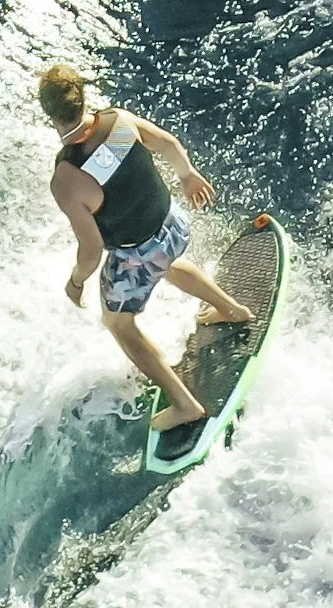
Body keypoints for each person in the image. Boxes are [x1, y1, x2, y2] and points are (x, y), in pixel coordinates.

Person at [40, 61, 254, 450]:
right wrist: (187, 174)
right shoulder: (118, 122)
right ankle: (233, 310)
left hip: (137, 254)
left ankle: (185, 404)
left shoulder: (67, 178)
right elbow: (168, 145)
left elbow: (90, 249)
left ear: (50, 114)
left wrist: (76, 282)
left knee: (120, 324)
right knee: (165, 263)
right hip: (172, 226)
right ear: (82, 98)